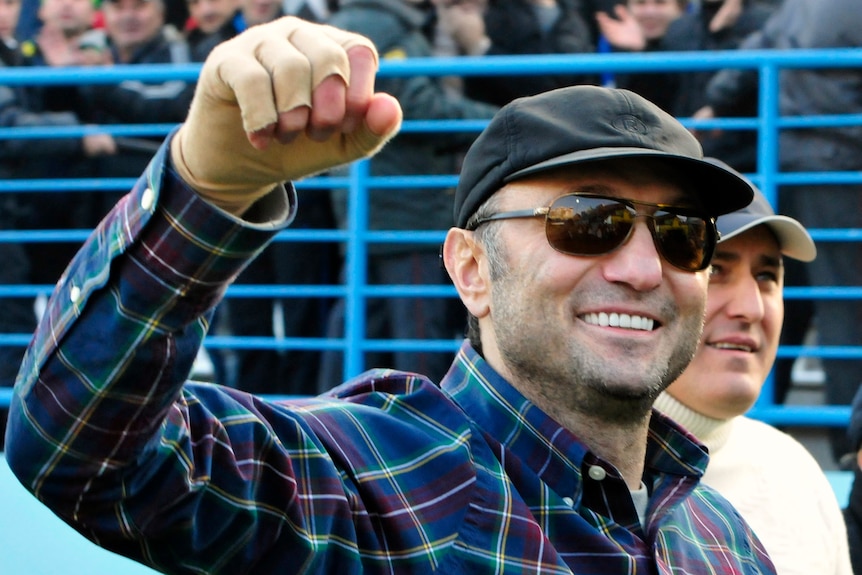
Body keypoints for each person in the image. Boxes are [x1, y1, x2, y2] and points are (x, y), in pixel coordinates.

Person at [5, 16, 777, 573]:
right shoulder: (367, 481)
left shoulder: (723, 540)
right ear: (471, 269)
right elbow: (83, 456)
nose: (643, 266)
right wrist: (207, 185)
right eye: (588, 220)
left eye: (681, 231)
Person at [653, 163, 852, 574]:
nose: (751, 308)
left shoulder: (794, 471)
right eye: (716, 269)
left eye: (766, 276)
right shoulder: (564, 468)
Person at [697, 0, 862, 461]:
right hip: (842, 172)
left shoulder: (799, 7)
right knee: (842, 319)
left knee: (793, 307)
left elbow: (754, 52)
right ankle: (851, 450)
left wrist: (716, 98)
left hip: (789, 165)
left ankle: (754, 431)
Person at [318, 0, 499, 390]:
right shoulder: (383, 27)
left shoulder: (362, 21)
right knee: (417, 344)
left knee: (357, 337)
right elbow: (417, 107)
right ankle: (430, 440)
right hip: (404, 210)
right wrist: (500, 121)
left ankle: (337, 434)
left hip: (373, 209)